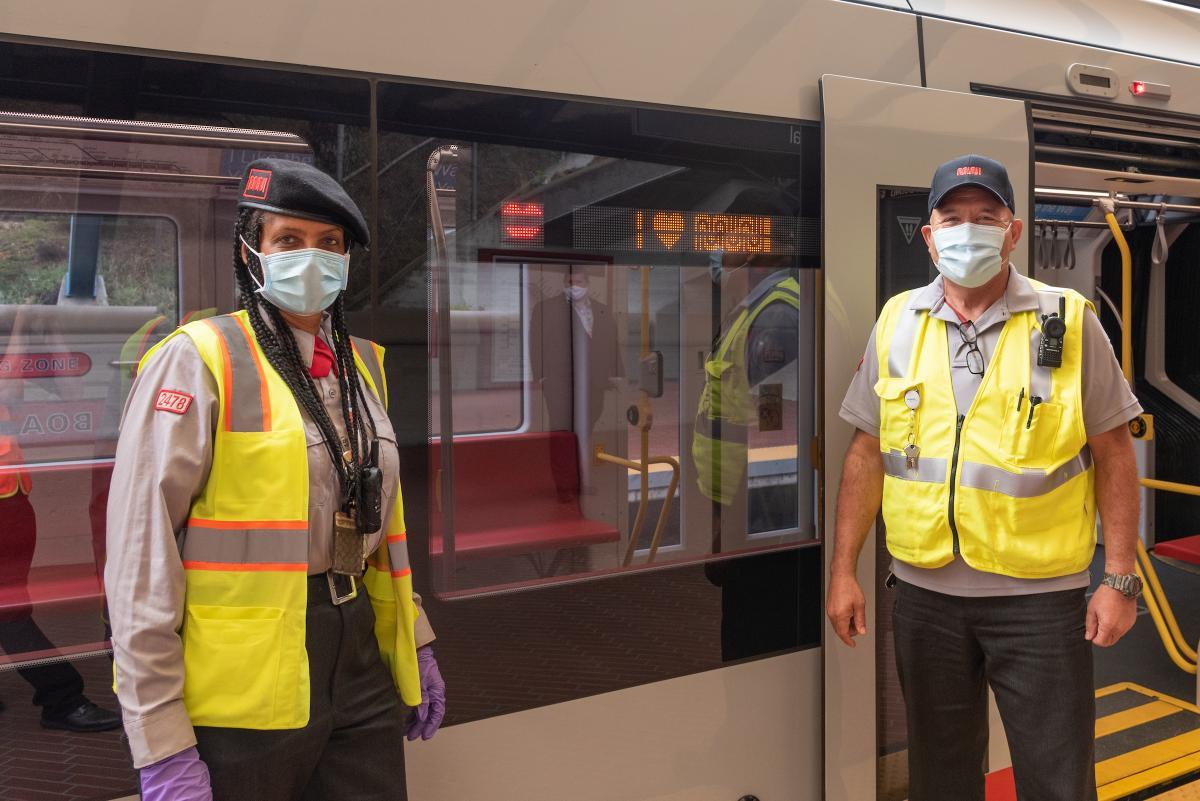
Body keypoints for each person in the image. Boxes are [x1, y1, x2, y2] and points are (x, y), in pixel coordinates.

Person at [105, 159, 447, 801]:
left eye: (330, 244)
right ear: (252, 252)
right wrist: (159, 739)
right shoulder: (199, 358)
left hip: (359, 661)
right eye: (288, 240)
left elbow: (381, 529)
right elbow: (139, 560)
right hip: (243, 688)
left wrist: (415, 642)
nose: (311, 258)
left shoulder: (361, 367)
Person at [826, 154, 1143, 801]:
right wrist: (843, 570)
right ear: (929, 234)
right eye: (953, 217)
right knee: (940, 781)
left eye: (986, 216)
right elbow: (865, 452)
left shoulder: (1069, 320)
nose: (968, 229)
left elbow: (1113, 454)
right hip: (926, 599)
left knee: (1058, 780)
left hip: (1041, 605)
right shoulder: (897, 322)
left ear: (1014, 231)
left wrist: (1119, 579)